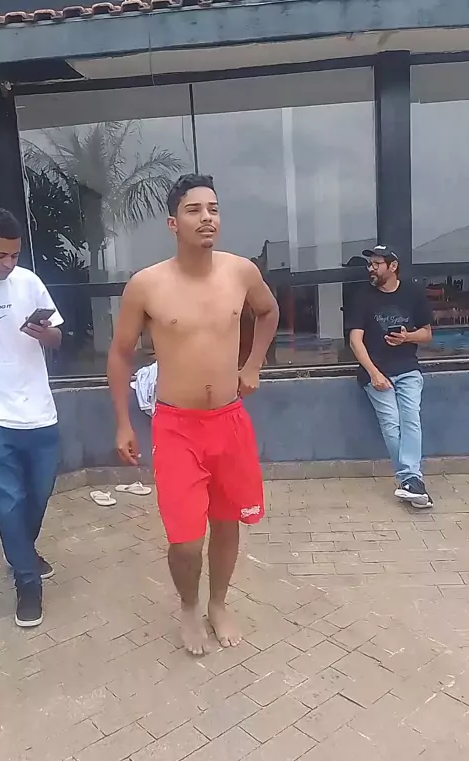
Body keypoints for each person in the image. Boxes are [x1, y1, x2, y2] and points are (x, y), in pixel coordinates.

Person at [108, 174, 279, 654]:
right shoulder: (147, 285)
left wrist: (253, 364)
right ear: (172, 223)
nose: (207, 218)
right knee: (185, 539)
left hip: (229, 422)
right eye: (194, 210)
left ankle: (218, 604)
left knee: (226, 523)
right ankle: (188, 606)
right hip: (177, 427)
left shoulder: (240, 272)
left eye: (213, 209)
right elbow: (120, 353)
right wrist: (123, 422)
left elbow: (268, 312)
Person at [0, 206, 63, 627]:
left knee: (37, 495)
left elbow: (57, 336)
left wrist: (45, 334)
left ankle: (22, 551)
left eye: (14, 255)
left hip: (39, 411)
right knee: (9, 501)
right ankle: (27, 582)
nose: (8, 263)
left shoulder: (29, 282)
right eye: (0, 255)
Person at [348, 244, 433, 508]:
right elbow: (355, 340)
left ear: (393, 266)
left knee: (411, 420)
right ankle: (412, 481)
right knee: (392, 423)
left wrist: (407, 337)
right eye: (370, 264)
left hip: (408, 369)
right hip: (376, 373)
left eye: (376, 264)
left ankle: (410, 481)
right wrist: (374, 373)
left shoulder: (413, 293)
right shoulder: (362, 296)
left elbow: (427, 334)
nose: (371, 269)